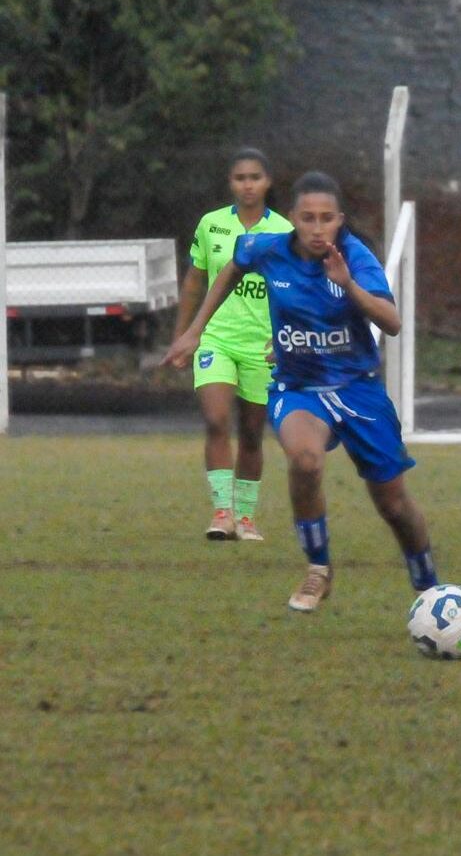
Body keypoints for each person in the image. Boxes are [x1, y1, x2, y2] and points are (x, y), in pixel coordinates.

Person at [163, 170, 439, 613]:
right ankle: (318, 569)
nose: (316, 228)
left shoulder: (355, 257)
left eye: (326, 218)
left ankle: (429, 587)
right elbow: (233, 267)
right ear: (291, 218)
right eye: (307, 218)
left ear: (339, 220)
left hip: (357, 390)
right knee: (305, 461)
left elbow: (391, 322)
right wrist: (196, 330)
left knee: (393, 503)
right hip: (300, 388)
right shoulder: (268, 249)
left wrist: (347, 285)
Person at [175, 148, 292, 541]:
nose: (248, 185)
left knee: (254, 432)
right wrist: (184, 333)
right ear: (231, 183)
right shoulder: (212, 225)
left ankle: (246, 517)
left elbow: (291, 292)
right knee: (215, 420)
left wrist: (286, 337)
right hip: (217, 339)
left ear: (267, 182)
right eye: (240, 177)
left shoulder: (285, 230)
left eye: (255, 177)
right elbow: (195, 280)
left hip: (262, 346)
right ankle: (222, 513)